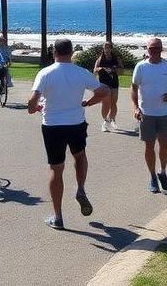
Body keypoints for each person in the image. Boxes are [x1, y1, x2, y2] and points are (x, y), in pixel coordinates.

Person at [27, 38, 110, 230]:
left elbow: (32, 101)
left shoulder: (45, 73)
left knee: (56, 169)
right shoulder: (81, 73)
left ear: (54, 52)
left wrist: (33, 108)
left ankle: (58, 217)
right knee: (80, 156)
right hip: (76, 123)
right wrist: (89, 102)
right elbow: (104, 91)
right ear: (71, 52)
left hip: (52, 125)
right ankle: (80, 188)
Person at [131, 37, 167, 193]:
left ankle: (162, 171)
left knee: (165, 144)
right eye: (151, 48)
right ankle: (153, 176)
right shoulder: (140, 67)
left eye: (157, 48)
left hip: (165, 113)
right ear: (146, 49)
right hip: (146, 113)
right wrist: (135, 107)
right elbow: (133, 88)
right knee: (149, 145)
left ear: (162, 49)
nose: (154, 51)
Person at [93, 42, 123, 132]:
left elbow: (122, 70)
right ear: (103, 48)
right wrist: (100, 69)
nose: (107, 49)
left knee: (114, 102)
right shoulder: (100, 59)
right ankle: (105, 122)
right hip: (103, 82)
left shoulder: (116, 58)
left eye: (109, 47)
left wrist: (115, 69)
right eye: (105, 48)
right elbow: (94, 71)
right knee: (106, 103)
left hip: (114, 82)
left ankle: (112, 120)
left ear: (111, 48)